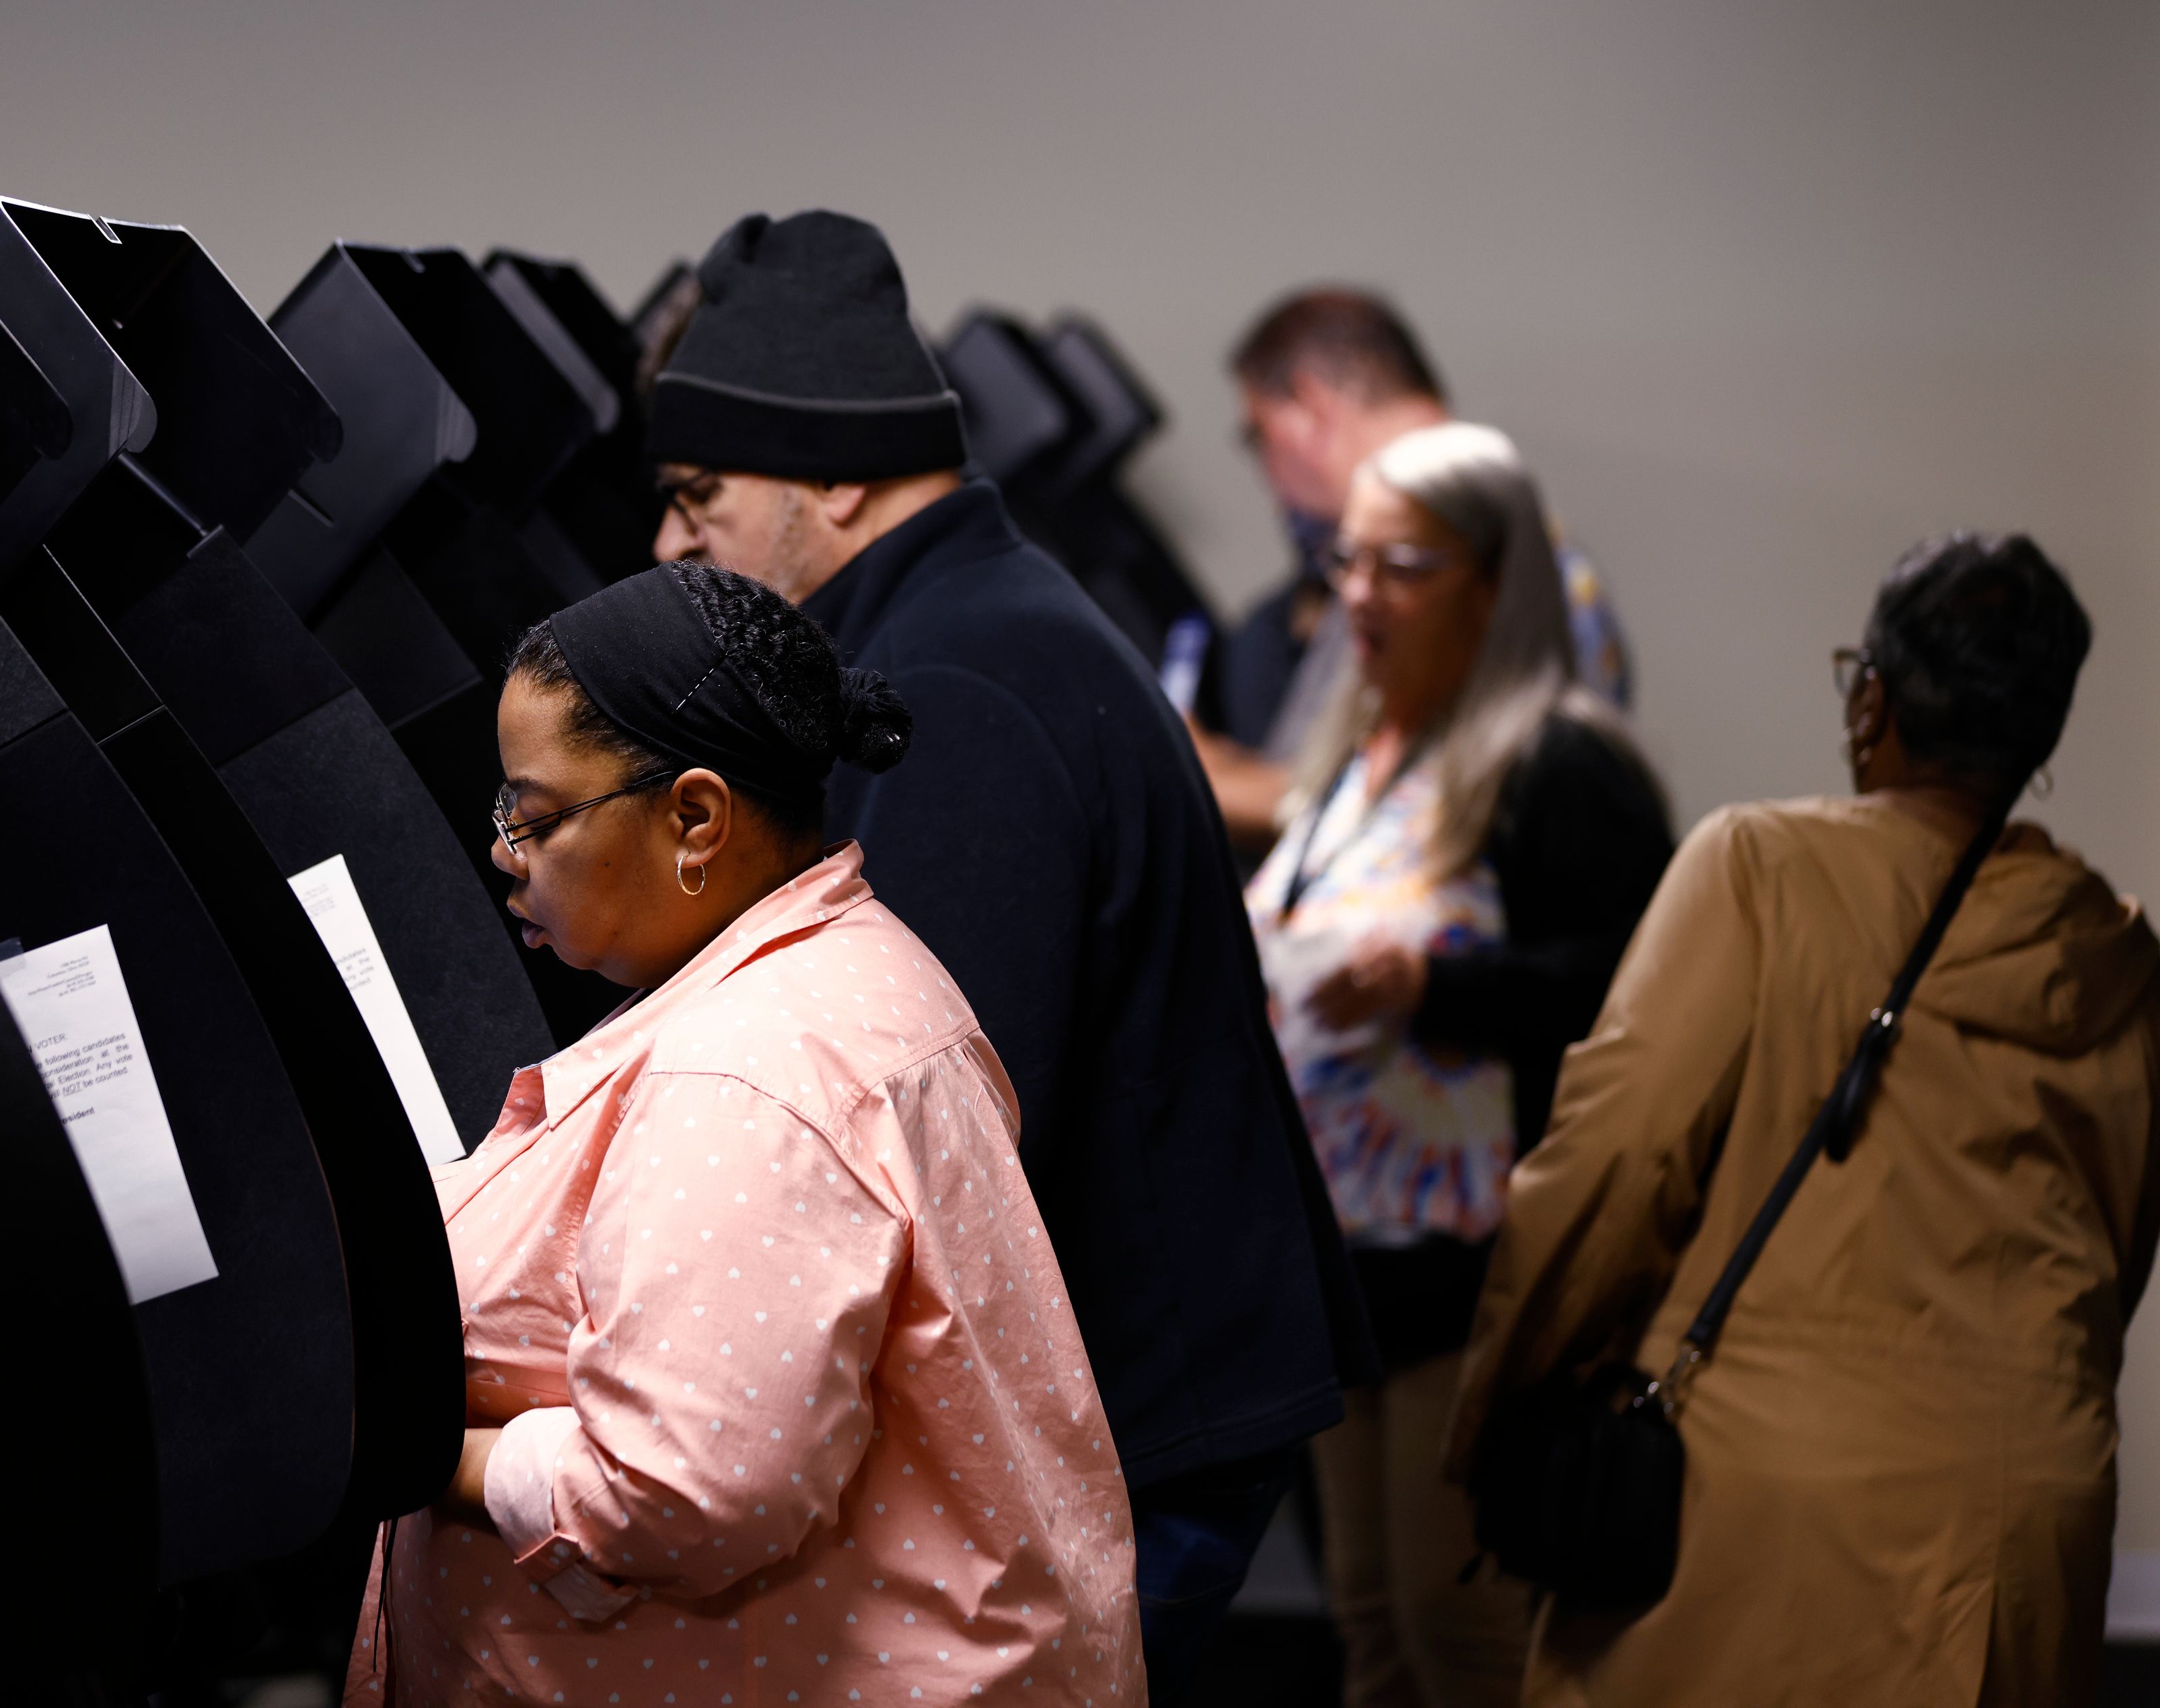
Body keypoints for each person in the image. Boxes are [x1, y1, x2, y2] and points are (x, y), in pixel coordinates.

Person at [643, 209, 1374, 1697]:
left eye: (700, 495)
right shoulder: (973, 618)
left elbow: (929, 1115)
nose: (671, 542)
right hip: (1160, 1380)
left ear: (835, 474)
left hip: (1141, 1420)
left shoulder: (952, 680)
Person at [346, 561, 1145, 1706]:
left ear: (697, 816)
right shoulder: (837, 968)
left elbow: (684, 1487)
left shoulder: (748, 1071)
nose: (504, 854)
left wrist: (432, 1455)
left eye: (535, 816)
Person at [1447, 533, 2157, 1706]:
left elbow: (1616, 1160)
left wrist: (1503, 1405)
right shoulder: (2118, 957)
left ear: (1871, 697)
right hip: (2029, 1514)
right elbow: (2116, 1255)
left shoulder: (1761, 868)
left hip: (1760, 1496)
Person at [1247, 422, 1671, 1707]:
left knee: (1459, 1629)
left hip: (1479, 1281)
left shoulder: (1561, 763)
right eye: (1346, 563)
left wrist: (1443, 984)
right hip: (1347, 1276)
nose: (1356, 597)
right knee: (1372, 1626)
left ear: (1494, 583)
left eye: (1401, 567)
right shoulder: (1350, 767)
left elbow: (1640, 1001)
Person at [1194, 288, 1632, 855]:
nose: (1267, 475)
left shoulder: (1508, 572)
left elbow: (1405, 811)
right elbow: (1340, 776)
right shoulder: (1392, 565)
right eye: (1351, 563)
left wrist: (1183, 778)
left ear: (1313, 404)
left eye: (1260, 436)